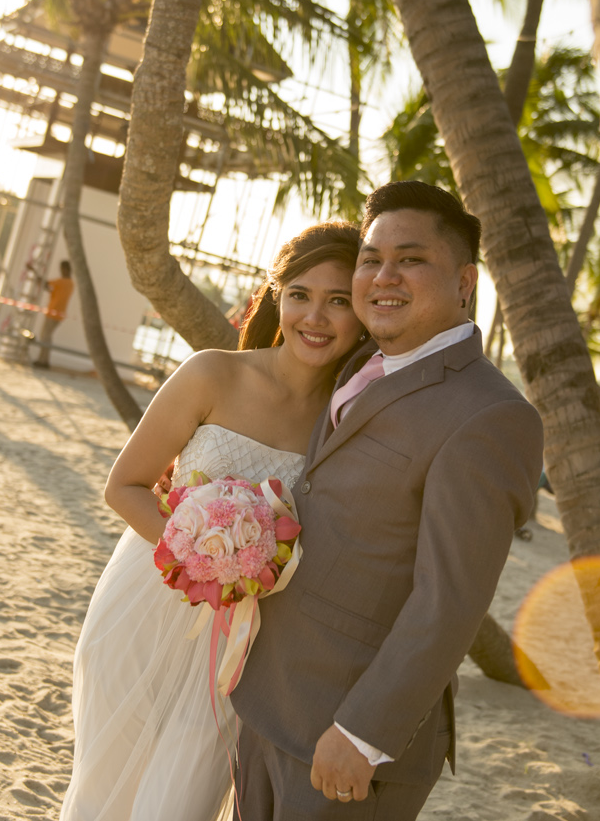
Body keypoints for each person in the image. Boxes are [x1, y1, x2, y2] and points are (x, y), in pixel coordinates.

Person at [232, 180, 545, 819]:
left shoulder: (490, 415)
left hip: (345, 744)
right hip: (266, 703)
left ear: (464, 281)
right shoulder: (357, 364)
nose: (383, 276)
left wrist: (364, 733)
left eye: (411, 259)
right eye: (372, 258)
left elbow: (449, 600)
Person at [59, 222, 368, 821]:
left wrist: (240, 579)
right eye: (301, 294)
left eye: (340, 301)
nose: (316, 317)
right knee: (107, 786)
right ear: (277, 294)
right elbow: (123, 487)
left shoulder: (344, 420)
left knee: (181, 802)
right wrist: (205, 561)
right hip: (145, 602)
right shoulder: (212, 374)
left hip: (245, 635)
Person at [32, 260, 75, 368]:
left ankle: (43, 361)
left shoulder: (63, 282)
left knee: (45, 337)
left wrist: (33, 271)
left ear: (65, 269)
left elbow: (44, 284)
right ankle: (43, 360)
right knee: (47, 337)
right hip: (58, 314)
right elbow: (50, 289)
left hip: (53, 313)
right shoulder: (69, 284)